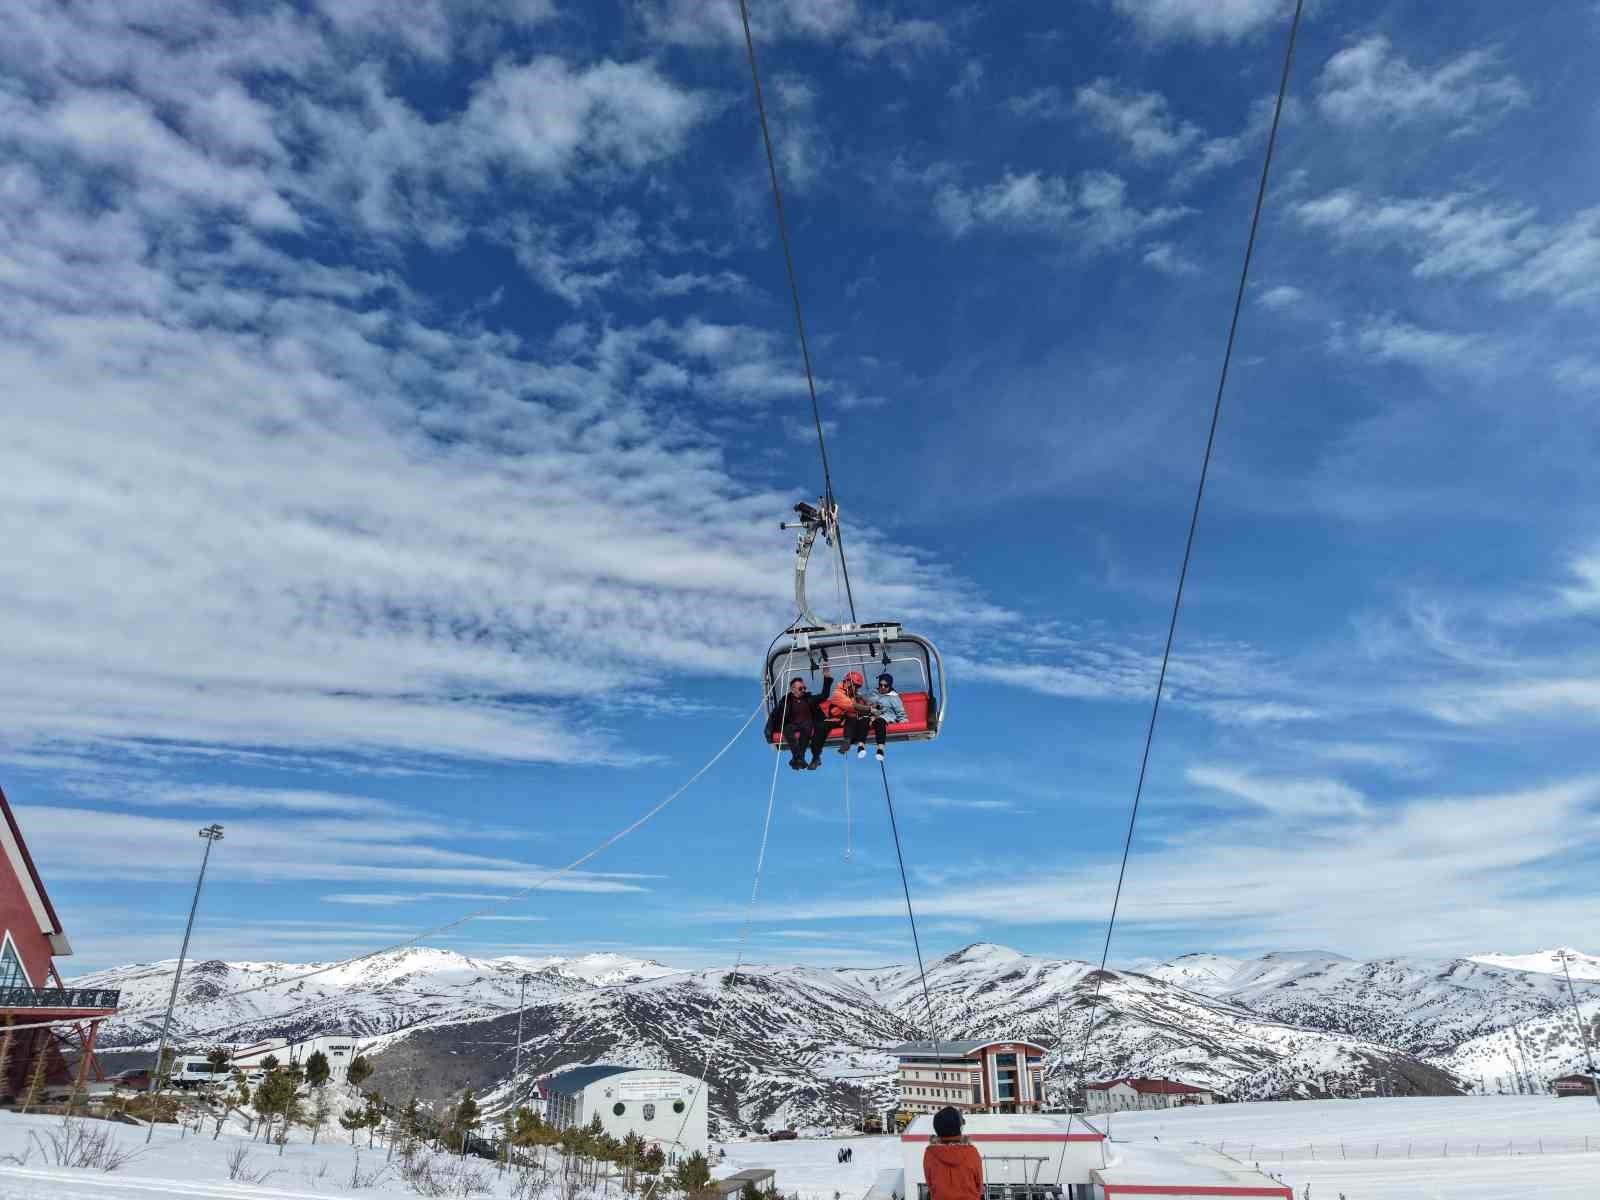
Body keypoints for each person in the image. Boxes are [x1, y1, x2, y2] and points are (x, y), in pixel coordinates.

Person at [767, 673, 834, 770]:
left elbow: (824, 695)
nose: (803, 690)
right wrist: (769, 730)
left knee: (806, 729)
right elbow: (775, 714)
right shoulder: (786, 701)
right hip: (792, 724)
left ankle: (798, 758)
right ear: (793, 689)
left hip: (807, 724)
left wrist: (827, 678)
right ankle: (799, 758)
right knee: (787, 729)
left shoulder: (809, 699)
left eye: (804, 688)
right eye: (800, 688)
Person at [923, 1107, 982, 1200]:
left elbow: (930, 1185)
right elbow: (979, 1185)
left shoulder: (930, 1153)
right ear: (959, 1127)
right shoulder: (971, 1152)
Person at [855, 672, 908, 762]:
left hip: (886, 717)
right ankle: (861, 747)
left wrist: (904, 724)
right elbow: (863, 697)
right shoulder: (873, 693)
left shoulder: (894, 698)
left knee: (879, 722)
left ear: (889, 686)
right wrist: (855, 693)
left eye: (885, 686)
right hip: (871, 715)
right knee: (863, 720)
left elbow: (901, 713)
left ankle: (880, 749)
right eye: (881, 685)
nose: (882, 687)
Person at [825, 670, 876, 757]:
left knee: (858, 718)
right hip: (836, 720)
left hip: (848, 719)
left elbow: (864, 704)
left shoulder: (853, 694)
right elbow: (852, 706)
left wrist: (871, 710)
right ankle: (848, 740)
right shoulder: (837, 694)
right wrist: (870, 709)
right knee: (852, 717)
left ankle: (852, 741)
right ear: (848, 682)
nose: (856, 689)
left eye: (857, 687)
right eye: (855, 686)